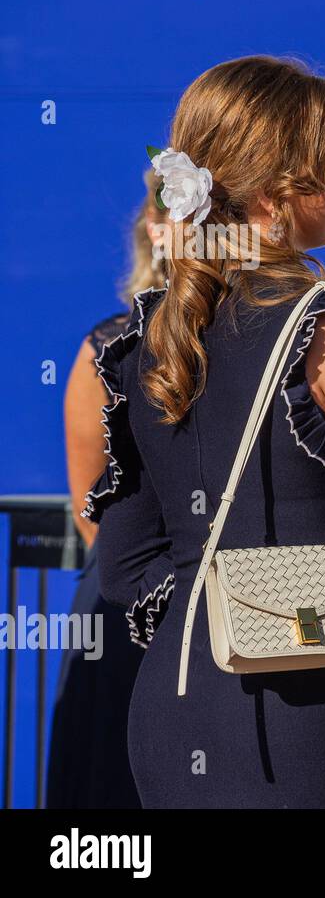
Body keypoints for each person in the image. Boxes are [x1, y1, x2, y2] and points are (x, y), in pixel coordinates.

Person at [85, 55, 325, 808]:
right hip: (314, 713)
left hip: (171, 705)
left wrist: (209, 614)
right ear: (278, 194)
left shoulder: (137, 335)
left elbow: (122, 564)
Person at [48, 171, 168, 808]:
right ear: (153, 232)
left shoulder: (264, 342)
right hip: (125, 609)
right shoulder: (105, 348)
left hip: (237, 608)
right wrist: (151, 586)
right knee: (114, 794)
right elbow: (91, 505)